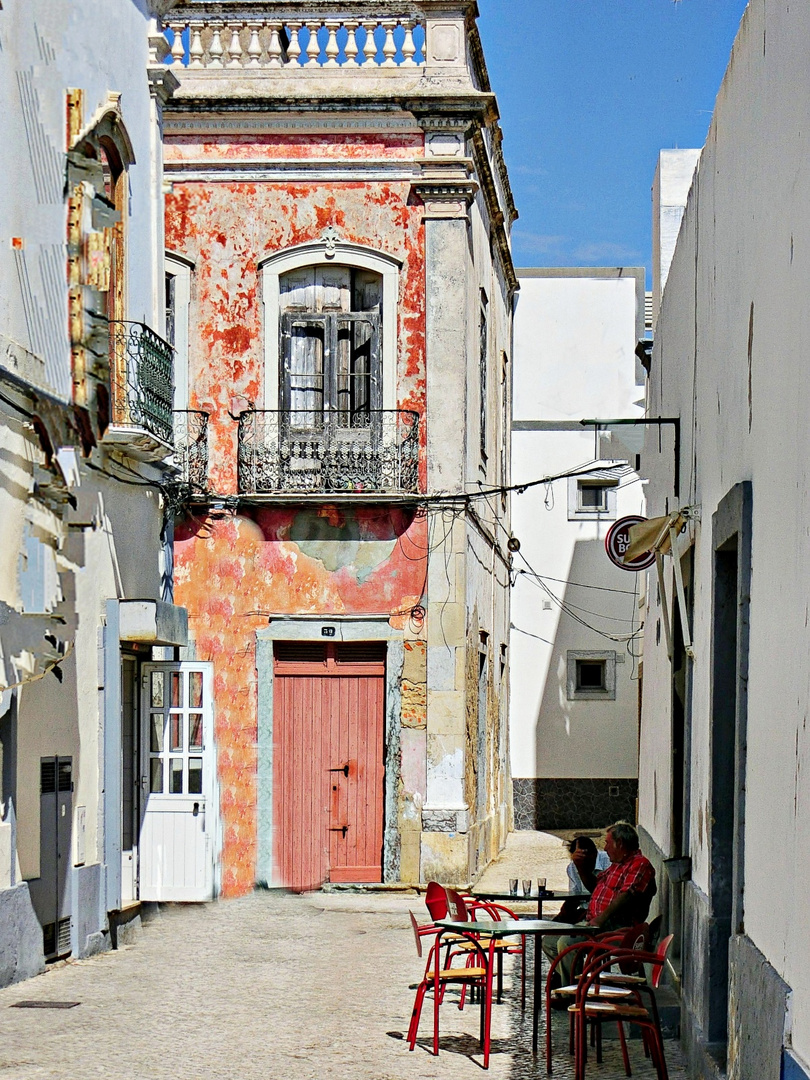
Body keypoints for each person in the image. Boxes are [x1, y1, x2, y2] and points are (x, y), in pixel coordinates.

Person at [544, 821, 657, 985]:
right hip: (597, 924)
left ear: (619, 844)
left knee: (566, 943)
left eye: (608, 843)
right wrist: (582, 868)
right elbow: (595, 887)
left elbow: (627, 895)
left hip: (616, 927)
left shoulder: (639, 864)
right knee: (549, 942)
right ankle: (579, 984)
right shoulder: (617, 866)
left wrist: (600, 919)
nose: (605, 848)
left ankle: (574, 992)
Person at [555, 835, 611, 923]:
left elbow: (601, 893)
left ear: (594, 854)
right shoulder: (572, 866)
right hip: (584, 911)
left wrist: (582, 869)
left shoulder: (608, 861)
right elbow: (575, 896)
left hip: (602, 913)